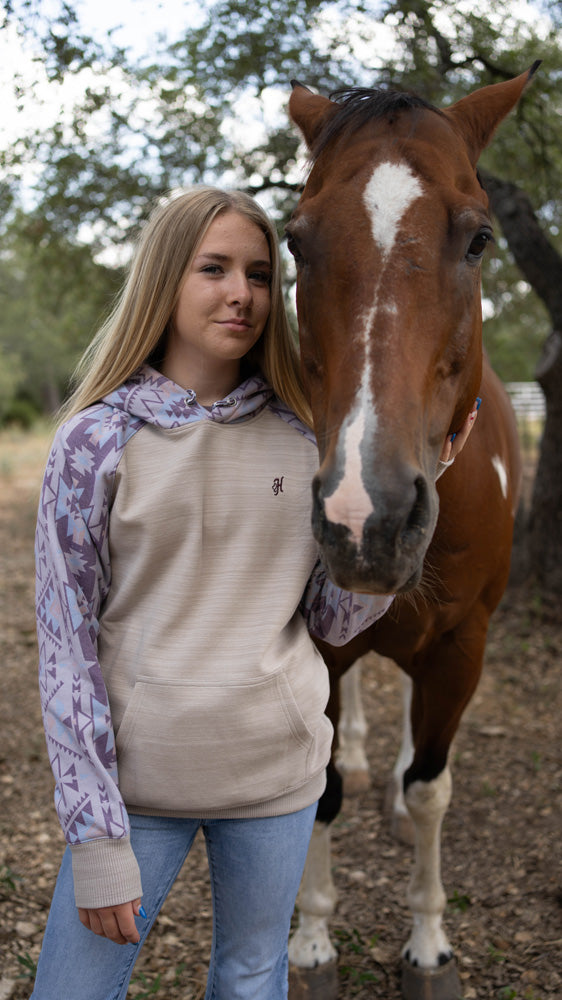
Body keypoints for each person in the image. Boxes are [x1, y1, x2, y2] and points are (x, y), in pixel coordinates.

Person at [32, 186, 477, 1000]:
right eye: (214, 269)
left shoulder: (307, 436)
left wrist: (396, 517)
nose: (242, 293)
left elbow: (331, 618)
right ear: (166, 279)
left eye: (261, 274)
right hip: (141, 789)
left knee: (251, 979)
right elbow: (64, 650)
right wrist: (95, 836)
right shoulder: (94, 441)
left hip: (274, 778)